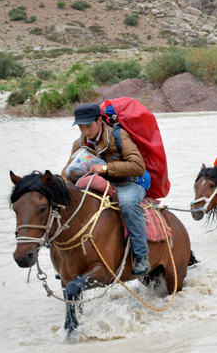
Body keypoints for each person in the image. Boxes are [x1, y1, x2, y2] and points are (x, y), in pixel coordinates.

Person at [62, 103, 151, 276]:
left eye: (89, 126)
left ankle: (142, 255)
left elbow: (138, 166)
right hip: (101, 185)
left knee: (127, 203)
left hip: (130, 183)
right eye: (81, 127)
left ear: (99, 121)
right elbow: (67, 171)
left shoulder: (118, 136)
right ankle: (71, 259)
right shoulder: (79, 144)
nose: (86, 131)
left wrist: (104, 168)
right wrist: (65, 188)